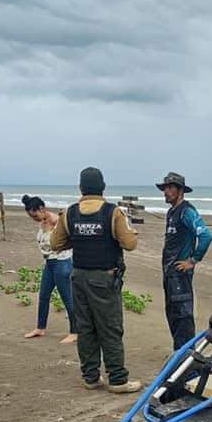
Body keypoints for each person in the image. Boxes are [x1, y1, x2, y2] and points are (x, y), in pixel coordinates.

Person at [51, 167, 140, 393]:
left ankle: (90, 377)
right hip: (104, 278)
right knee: (110, 328)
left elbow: (55, 244)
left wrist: (78, 240)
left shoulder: (69, 213)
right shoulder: (113, 213)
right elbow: (130, 244)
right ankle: (117, 379)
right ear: (103, 187)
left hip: (78, 276)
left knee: (85, 328)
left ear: (81, 188)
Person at [156, 172, 212, 350]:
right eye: (165, 188)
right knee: (173, 315)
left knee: (183, 317)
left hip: (180, 276)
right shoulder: (172, 212)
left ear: (180, 190)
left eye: (170, 188)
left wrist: (193, 260)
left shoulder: (187, 212)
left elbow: (206, 236)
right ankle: (179, 354)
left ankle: (187, 358)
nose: (166, 191)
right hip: (169, 273)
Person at [21, 195, 77, 344]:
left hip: (62, 263)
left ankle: (75, 332)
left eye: (35, 215)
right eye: (31, 217)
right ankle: (40, 328)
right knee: (43, 296)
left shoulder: (57, 221)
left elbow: (72, 238)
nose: (34, 219)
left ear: (42, 208)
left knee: (67, 298)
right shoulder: (42, 221)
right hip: (49, 263)